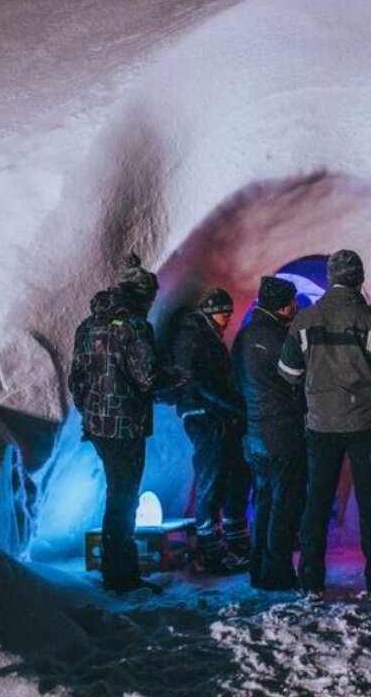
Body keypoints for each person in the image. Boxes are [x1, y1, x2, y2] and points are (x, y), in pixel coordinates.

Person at [278, 249, 371, 600]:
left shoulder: (305, 321)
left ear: (330, 277)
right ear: (359, 278)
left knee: (317, 502)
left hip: (321, 426)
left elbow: (288, 373)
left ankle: (310, 579)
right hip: (366, 426)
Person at [68, 253, 183, 594]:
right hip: (126, 425)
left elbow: (76, 379)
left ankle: (115, 573)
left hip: (98, 426)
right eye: (149, 298)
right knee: (124, 498)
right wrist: (173, 376)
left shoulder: (88, 325)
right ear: (140, 295)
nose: (150, 305)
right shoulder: (134, 326)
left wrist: (91, 411)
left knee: (116, 495)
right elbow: (147, 376)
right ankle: (122, 577)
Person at [231, 276, 306, 591]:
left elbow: (235, 381)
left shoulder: (245, 335)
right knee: (285, 502)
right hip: (284, 431)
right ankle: (277, 571)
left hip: (255, 431)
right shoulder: (281, 338)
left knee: (262, 501)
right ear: (285, 305)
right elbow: (299, 380)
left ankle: (258, 567)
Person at [170, 287, 250, 572]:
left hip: (216, 415)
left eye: (229, 314)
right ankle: (210, 547)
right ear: (209, 312)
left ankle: (232, 540)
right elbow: (199, 381)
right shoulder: (192, 337)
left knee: (228, 473)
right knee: (211, 476)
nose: (226, 319)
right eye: (222, 314)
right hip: (202, 414)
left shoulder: (206, 336)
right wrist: (234, 404)